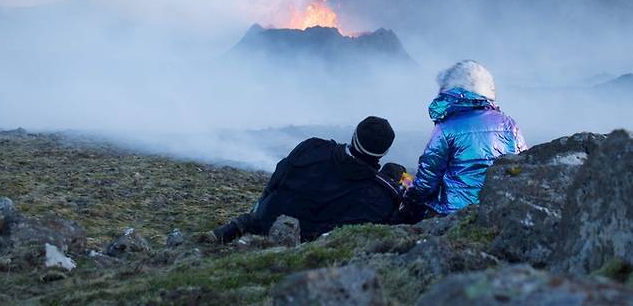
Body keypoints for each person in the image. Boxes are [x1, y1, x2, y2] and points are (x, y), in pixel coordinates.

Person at [209, 116, 408, 243]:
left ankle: (245, 223)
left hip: (269, 217)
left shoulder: (312, 146)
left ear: (354, 134)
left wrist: (262, 210)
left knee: (262, 213)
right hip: (308, 242)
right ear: (384, 152)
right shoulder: (381, 194)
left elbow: (276, 180)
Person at [400, 60, 526, 223]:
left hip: (453, 213)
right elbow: (522, 165)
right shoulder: (509, 124)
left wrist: (410, 197)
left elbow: (428, 178)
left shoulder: (447, 128)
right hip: (495, 209)